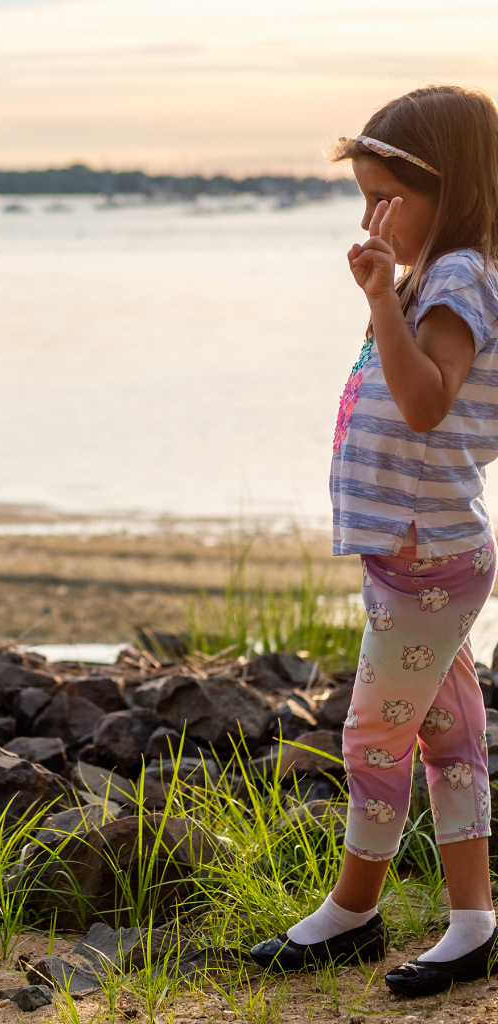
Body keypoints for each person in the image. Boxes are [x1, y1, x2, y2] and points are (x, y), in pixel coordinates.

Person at [250, 85, 498, 997]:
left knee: (370, 738)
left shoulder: (463, 275)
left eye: (386, 197)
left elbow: (428, 402)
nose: (370, 216)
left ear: (454, 188)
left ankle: (354, 909)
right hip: (416, 553)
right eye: (363, 196)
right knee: (446, 732)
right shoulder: (429, 274)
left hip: (428, 554)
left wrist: (384, 298)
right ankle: (473, 918)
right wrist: (384, 290)